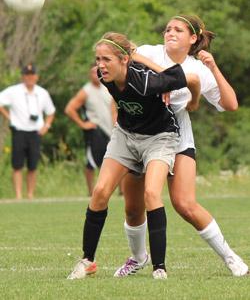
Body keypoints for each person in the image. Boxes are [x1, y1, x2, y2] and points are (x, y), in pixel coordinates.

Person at [114, 14, 249, 278]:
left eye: (178, 29)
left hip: (176, 136)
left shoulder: (198, 68)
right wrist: (166, 75)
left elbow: (231, 104)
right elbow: (125, 51)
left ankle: (230, 257)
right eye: (168, 29)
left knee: (185, 203)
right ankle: (138, 258)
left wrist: (214, 68)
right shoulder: (149, 52)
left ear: (193, 38)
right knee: (132, 207)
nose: (170, 32)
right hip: (140, 133)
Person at [67, 32, 200, 280]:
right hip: (126, 135)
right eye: (97, 59)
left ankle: (159, 267)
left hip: (160, 137)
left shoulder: (148, 82)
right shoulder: (101, 76)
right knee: (100, 191)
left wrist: (194, 101)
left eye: (106, 59)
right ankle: (87, 261)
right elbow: (128, 58)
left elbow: (190, 78)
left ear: (124, 60)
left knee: (151, 193)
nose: (100, 65)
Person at [0, 63, 55, 199]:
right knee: (17, 164)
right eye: (27, 75)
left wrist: (46, 126)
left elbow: (51, 111)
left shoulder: (42, 93)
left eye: (32, 75)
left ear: (37, 76)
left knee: (33, 164)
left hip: (36, 132)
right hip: (19, 130)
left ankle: (30, 194)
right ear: (23, 77)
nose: (29, 77)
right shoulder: (14, 91)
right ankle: (18, 195)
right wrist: (9, 117)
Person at [65, 64, 117, 196]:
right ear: (90, 74)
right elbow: (70, 109)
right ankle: (91, 192)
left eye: (98, 72)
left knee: (116, 161)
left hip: (110, 130)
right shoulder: (86, 91)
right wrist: (83, 124)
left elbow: (113, 110)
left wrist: (117, 126)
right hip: (95, 130)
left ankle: (120, 192)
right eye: (93, 72)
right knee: (92, 162)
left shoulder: (108, 87)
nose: (96, 75)